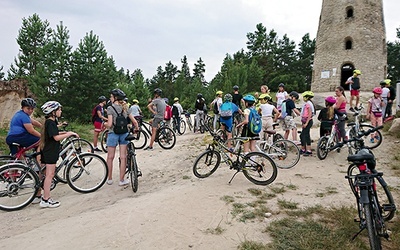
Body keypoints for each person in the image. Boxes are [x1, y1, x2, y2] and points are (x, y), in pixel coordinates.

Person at [40, 101, 78, 208]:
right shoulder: (51, 122)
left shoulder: (49, 122)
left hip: (47, 150)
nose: (60, 111)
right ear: (53, 112)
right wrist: (69, 134)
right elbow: (56, 137)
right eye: (59, 110)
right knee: (50, 175)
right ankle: (45, 199)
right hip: (50, 151)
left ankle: (43, 196)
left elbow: (55, 133)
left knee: (47, 174)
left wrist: (67, 132)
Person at [106, 88, 139, 185]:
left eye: (111, 96)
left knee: (110, 157)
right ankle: (121, 180)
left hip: (113, 133)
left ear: (115, 98)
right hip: (124, 133)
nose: (110, 98)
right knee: (123, 157)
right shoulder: (125, 107)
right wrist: (136, 128)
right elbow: (134, 121)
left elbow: (110, 123)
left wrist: (105, 125)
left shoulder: (110, 108)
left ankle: (110, 179)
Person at [299, 91, 315, 156]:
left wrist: (306, 123)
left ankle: (308, 150)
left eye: (304, 97)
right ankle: (303, 149)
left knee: (305, 135)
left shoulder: (308, 104)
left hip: (307, 121)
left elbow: (310, 114)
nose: (303, 98)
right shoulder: (307, 103)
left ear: (307, 97)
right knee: (304, 135)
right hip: (304, 121)